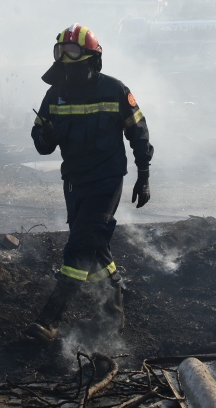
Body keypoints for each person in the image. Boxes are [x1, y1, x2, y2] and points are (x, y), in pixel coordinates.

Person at [25, 23, 154, 343]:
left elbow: (138, 132)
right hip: (74, 182)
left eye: (75, 66)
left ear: (93, 62)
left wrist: (144, 175)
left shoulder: (115, 90)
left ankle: (50, 318)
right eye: (63, 68)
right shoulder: (54, 96)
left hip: (107, 180)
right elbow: (39, 139)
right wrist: (46, 136)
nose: (68, 75)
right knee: (94, 248)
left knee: (80, 246)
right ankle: (114, 313)